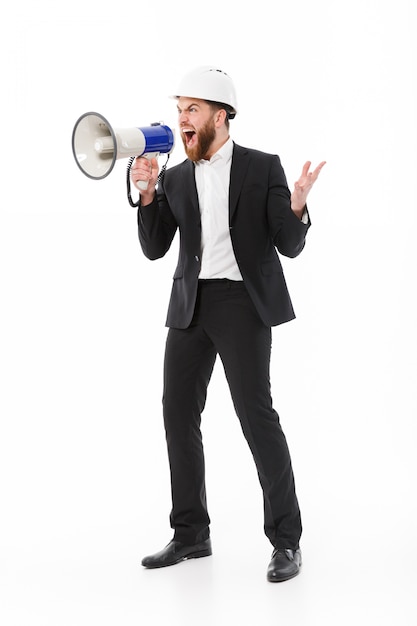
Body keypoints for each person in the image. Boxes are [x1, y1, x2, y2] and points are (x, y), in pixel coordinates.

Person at [131, 66, 325, 583]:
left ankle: (286, 541)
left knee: (256, 417)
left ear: (220, 115)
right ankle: (191, 534)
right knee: (177, 413)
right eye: (178, 111)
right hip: (191, 305)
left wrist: (299, 206)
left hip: (243, 304)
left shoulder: (263, 167)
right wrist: (147, 195)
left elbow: (289, 244)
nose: (181, 120)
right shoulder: (174, 175)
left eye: (190, 110)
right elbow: (155, 249)